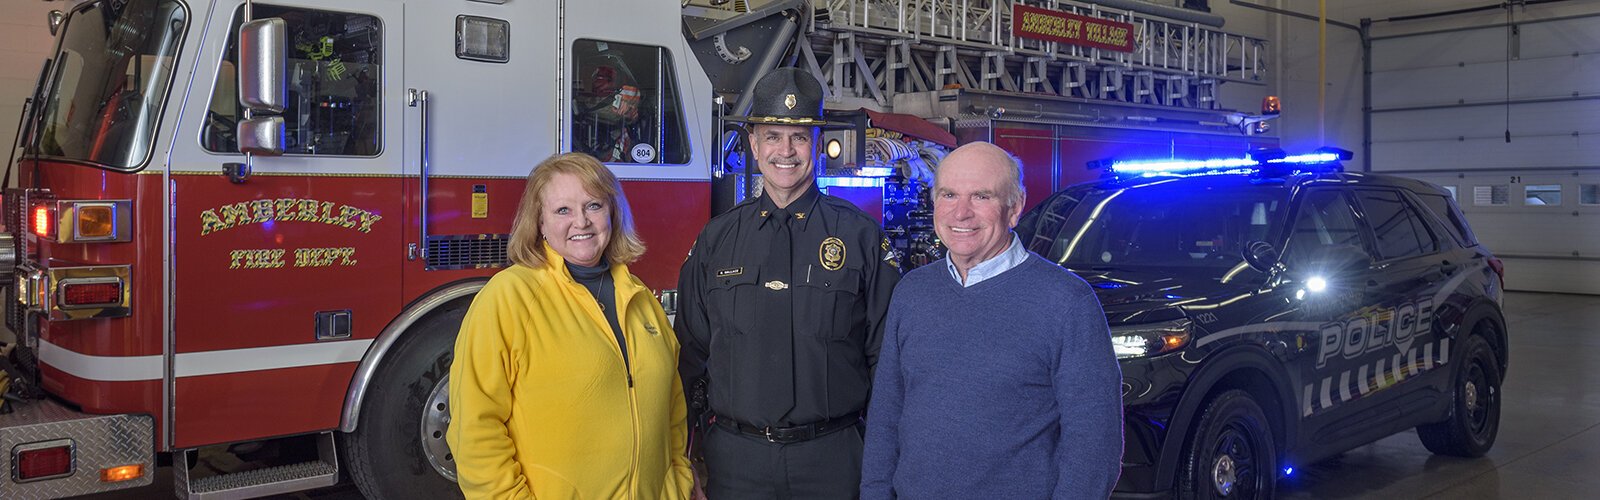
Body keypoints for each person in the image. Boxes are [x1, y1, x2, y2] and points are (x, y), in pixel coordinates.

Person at [676, 67, 901, 499]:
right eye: (773, 135)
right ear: (754, 144)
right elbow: (690, 357)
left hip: (834, 461)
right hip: (735, 462)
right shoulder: (716, 240)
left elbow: (887, 362)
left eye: (799, 137)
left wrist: (879, 463)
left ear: (817, 145)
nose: (786, 150)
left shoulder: (860, 237)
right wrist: (686, 457)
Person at [859, 142, 1123, 499]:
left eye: (981, 197)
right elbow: (887, 416)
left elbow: (1094, 446)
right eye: (949, 195)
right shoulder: (912, 292)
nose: (961, 213)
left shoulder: (1066, 302)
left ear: (1014, 208)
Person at [449, 152, 693, 499]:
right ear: (540, 223)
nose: (581, 222)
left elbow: (672, 411)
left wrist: (678, 482)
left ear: (612, 212)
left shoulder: (640, 299)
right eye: (563, 210)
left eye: (593, 205)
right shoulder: (509, 297)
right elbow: (474, 429)